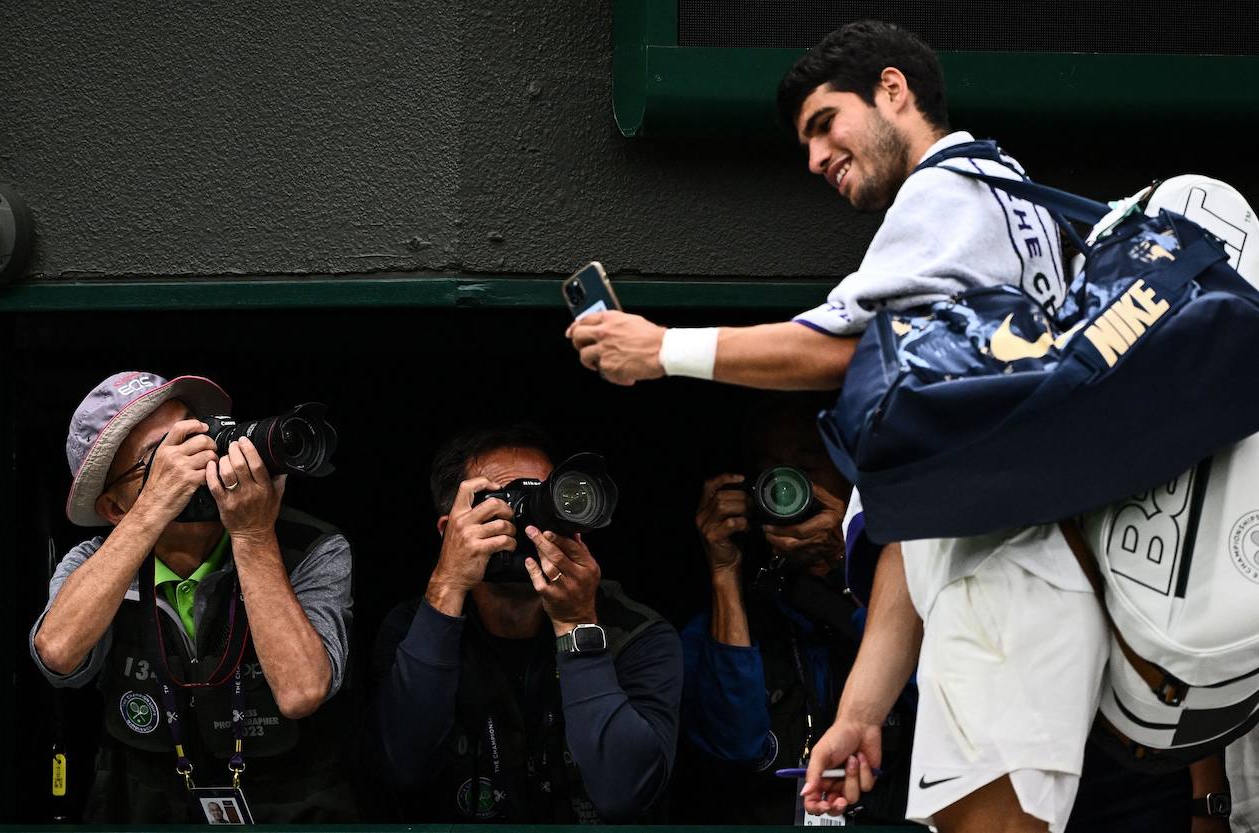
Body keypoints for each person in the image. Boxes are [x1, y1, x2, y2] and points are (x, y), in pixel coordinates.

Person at [566, 20, 1109, 833]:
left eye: (826, 123)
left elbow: (839, 345)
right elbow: (918, 521)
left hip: (1012, 590)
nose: (816, 158)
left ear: (894, 90)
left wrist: (660, 349)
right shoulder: (1001, 197)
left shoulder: (952, 187)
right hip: (992, 580)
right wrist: (861, 708)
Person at [29, 371, 355, 822]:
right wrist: (151, 511)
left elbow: (301, 692)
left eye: (196, 436)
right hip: (146, 810)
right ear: (114, 508)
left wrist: (254, 535)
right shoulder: (94, 563)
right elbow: (58, 656)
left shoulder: (312, 548)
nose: (194, 461)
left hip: (292, 810)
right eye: (159, 459)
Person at [366, 424, 683, 823]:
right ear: (451, 532)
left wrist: (576, 624)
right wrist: (446, 585)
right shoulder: (413, 627)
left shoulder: (635, 633)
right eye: (502, 503)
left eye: (543, 500)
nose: (530, 523)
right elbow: (402, 767)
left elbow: (628, 795)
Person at [674, 396, 915, 826]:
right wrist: (724, 572)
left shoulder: (908, 588)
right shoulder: (728, 621)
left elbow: (932, 686)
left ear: (849, 476)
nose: (786, 485)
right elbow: (733, 746)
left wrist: (850, 558)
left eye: (806, 467)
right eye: (769, 469)